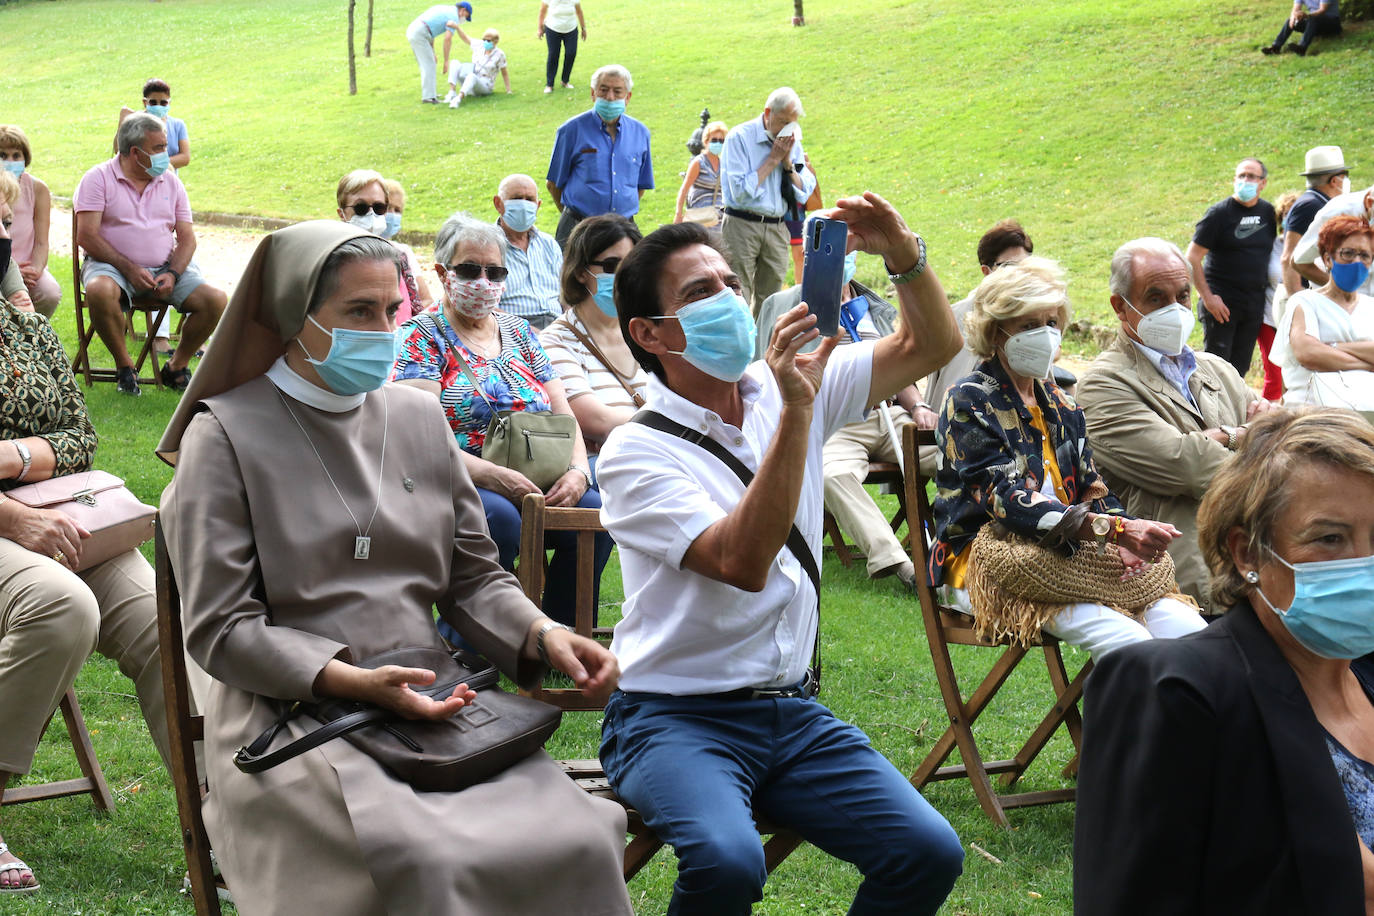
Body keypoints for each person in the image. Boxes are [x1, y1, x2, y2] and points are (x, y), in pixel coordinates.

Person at [155, 221, 632, 916]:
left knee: (581, 839)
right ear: (296, 314)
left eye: (392, 311)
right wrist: (353, 681)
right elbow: (223, 628)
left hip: (433, 702)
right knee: (425, 858)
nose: (382, 330)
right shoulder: (225, 433)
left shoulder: (417, 416)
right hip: (290, 711)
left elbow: (472, 576)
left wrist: (541, 633)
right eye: (358, 312)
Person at [597, 194, 967, 913]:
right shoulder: (633, 451)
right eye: (700, 293)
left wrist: (902, 253)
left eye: (731, 284)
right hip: (672, 717)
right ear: (650, 332)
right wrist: (800, 411)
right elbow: (742, 561)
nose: (729, 300)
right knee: (730, 863)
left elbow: (931, 347)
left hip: (790, 715)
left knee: (926, 852)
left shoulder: (783, 385)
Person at [1073, 407, 1374, 915]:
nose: (1361, 564)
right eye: (1328, 539)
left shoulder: (1366, 679)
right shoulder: (1176, 690)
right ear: (1247, 553)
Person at [0, 237, 170, 895]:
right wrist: (16, 514)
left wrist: (11, 462)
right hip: (19, 526)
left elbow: (80, 439)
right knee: (60, 605)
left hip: (57, 516)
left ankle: (224, 813)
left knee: (165, 621)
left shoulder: (26, 330)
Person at [931, 256, 1207, 656]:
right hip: (983, 563)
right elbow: (1005, 501)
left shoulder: (1062, 404)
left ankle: (1189, 718)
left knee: (1191, 633)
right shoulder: (969, 399)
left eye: (1050, 323)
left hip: (1061, 557)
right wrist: (1112, 532)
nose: (1044, 335)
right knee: (1128, 640)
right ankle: (1125, 719)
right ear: (995, 332)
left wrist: (1125, 534)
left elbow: (1094, 488)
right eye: (1028, 325)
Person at [392, 214, 610, 630]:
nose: (483, 281)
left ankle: (563, 632)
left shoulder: (521, 332)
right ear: (442, 273)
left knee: (593, 510)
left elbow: (564, 413)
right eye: (470, 270)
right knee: (500, 519)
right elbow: (419, 432)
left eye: (495, 271)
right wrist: (492, 475)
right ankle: (478, 637)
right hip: (458, 474)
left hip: (537, 470)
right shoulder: (421, 335)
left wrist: (580, 472)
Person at [1076, 238, 1264, 613]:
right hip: (1179, 583)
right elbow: (1190, 467)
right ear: (1120, 306)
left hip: (1256, 569)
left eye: (1182, 295)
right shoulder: (1102, 384)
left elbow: (1284, 434)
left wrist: (1220, 439)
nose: (1175, 309)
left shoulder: (1217, 368)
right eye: (1156, 298)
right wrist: (1244, 434)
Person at [755, 240, 935, 591]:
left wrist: (919, 407)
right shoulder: (789, 306)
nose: (838, 260)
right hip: (838, 423)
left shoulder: (873, 309)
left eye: (844, 250)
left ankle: (966, 547)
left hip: (892, 417)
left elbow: (901, 371)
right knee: (831, 473)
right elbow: (769, 371)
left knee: (955, 452)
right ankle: (901, 564)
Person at [74, 112, 226, 396]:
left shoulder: (171, 182)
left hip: (165, 268)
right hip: (112, 267)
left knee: (216, 300)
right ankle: (125, 368)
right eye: (158, 148)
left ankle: (176, 366)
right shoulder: (97, 178)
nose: (165, 154)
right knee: (97, 290)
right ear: (135, 152)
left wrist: (173, 273)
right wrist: (129, 268)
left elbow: (187, 239)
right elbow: (87, 236)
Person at [539, 213, 645, 480]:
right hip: (612, 469)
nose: (623, 276)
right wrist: (675, 424)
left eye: (631, 264)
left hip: (658, 457)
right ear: (580, 272)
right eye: (611, 266)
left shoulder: (647, 332)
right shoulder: (557, 340)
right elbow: (596, 420)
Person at [923, 218, 1035, 414]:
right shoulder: (954, 317)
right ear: (986, 271)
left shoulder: (1035, 315)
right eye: (1010, 268)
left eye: (1027, 268)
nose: (1020, 277)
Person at [720, 87, 817, 312]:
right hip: (742, 224)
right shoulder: (739, 137)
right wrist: (773, 159)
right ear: (767, 112)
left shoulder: (792, 140)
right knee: (738, 291)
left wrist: (787, 164)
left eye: (791, 123)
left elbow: (806, 188)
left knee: (771, 300)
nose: (787, 129)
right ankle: (741, 346)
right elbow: (739, 193)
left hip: (776, 226)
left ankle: (763, 346)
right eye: (782, 122)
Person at [1186, 157, 1279, 380]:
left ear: (1263, 183)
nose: (1245, 180)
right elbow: (1192, 257)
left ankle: (1234, 414)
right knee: (1216, 370)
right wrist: (1207, 298)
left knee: (1239, 371)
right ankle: (1207, 414)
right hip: (1221, 305)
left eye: (1251, 176)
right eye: (1241, 176)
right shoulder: (1219, 214)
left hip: (1253, 305)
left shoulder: (1268, 213)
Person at [1271, 214, 1374, 410]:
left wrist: (1333, 347)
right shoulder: (1305, 302)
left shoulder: (1371, 307)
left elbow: (1319, 352)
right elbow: (1309, 353)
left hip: (1365, 415)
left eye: (1364, 255)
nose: (1357, 261)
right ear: (1328, 259)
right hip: (1312, 414)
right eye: (1348, 253)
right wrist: (1367, 364)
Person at [546, 64, 654, 248]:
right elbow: (554, 184)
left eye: (617, 91)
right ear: (593, 93)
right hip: (578, 226)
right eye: (603, 90)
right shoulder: (571, 130)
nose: (610, 97)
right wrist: (573, 216)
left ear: (627, 97)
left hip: (624, 229)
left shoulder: (640, 133)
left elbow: (640, 186)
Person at [335, 169, 426, 324]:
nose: (371, 214)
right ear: (342, 213)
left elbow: (418, 306)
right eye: (361, 208)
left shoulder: (400, 256)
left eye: (379, 208)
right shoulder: (333, 260)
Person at [0, 126, 59, 318]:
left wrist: (35, 270)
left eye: (16, 155)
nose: (10, 161)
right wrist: (13, 274)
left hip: (28, 265)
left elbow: (42, 242)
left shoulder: (38, 188)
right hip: (4, 265)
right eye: (3, 155)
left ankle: (31, 335)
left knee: (50, 292)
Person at [493, 174, 564, 331]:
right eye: (517, 198)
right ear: (498, 204)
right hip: (510, 330)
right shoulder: (486, 245)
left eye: (529, 199)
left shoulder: (549, 245)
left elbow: (567, 296)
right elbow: (486, 307)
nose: (524, 205)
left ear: (538, 206)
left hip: (557, 326)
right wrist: (529, 332)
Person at [1281, 145, 1351, 294]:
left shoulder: (1318, 203)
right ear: (1334, 181)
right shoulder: (1310, 206)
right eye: (1345, 176)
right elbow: (1289, 257)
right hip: (1300, 292)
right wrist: (1295, 297)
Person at [1293, 179, 1374, 297]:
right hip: (1334, 305)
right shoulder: (1337, 212)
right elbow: (1299, 262)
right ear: (1370, 203)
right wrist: (1344, 290)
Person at [1259, 191, 1300, 400]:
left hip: (1298, 319)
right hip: (1269, 316)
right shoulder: (1271, 244)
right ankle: (1265, 423)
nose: (1289, 217)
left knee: (1296, 373)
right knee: (1274, 375)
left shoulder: (1311, 245)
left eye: (1294, 212)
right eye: (1285, 213)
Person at [379, 177, 435, 315]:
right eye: (387, 207)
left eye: (397, 210)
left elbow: (427, 300)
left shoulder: (403, 252)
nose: (392, 214)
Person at [406, 2, 473, 104]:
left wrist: (432, 52)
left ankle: (431, 93)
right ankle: (428, 97)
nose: (463, 19)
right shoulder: (453, 17)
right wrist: (446, 61)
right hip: (419, 33)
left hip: (416, 30)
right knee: (429, 64)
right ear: (463, 10)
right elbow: (447, 39)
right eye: (466, 16)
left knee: (429, 63)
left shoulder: (446, 9)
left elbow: (431, 30)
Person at [117, 79, 191, 170]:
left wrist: (156, 164)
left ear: (169, 103)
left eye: (163, 103)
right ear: (145, 102)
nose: (158, 106)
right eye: (153, 102)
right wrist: (122, 123)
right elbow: (120, 153)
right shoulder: (134, 123)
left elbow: (185, 157)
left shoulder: (178, 125)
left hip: (168, 180)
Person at [673, 120, 727, 229]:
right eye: (714, 140)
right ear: (706, 141)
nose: (718, 144)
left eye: (721, 141)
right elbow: (684, 189)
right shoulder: (699, 162)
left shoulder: (724, 164)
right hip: (699, 219)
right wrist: (678, 214)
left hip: (718, 221)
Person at [444, 24, 510, 108]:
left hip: (485, 85)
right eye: (484, 39)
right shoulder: (480, 45)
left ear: (495, 41)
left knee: (472, 76)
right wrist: (457, 27)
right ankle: (452, 92)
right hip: (470, 78)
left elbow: (504, 73)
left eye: (488, 40)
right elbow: (465, 38)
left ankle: (458, 99)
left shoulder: (500, 54)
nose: (485, 42)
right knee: (454, 62)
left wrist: (508, 90)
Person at [537, 0, 586, 93]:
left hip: (571, 28)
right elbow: (542, 11)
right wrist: (540, 28)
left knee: (571, 53)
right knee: (553, 55)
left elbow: (579, 12)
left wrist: (583, 28)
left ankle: (565, 81)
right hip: (553, 28)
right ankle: (549, 84)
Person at [1260, 0, 1342, 55]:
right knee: (1290, 20)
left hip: (1332, 23)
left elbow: (1322, 10)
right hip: (1314, 24)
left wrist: (1306, 16)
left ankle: (1302, 48)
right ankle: (1275, 47)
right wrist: (1293, 18)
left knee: (1312, 19)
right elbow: (1295, 9)